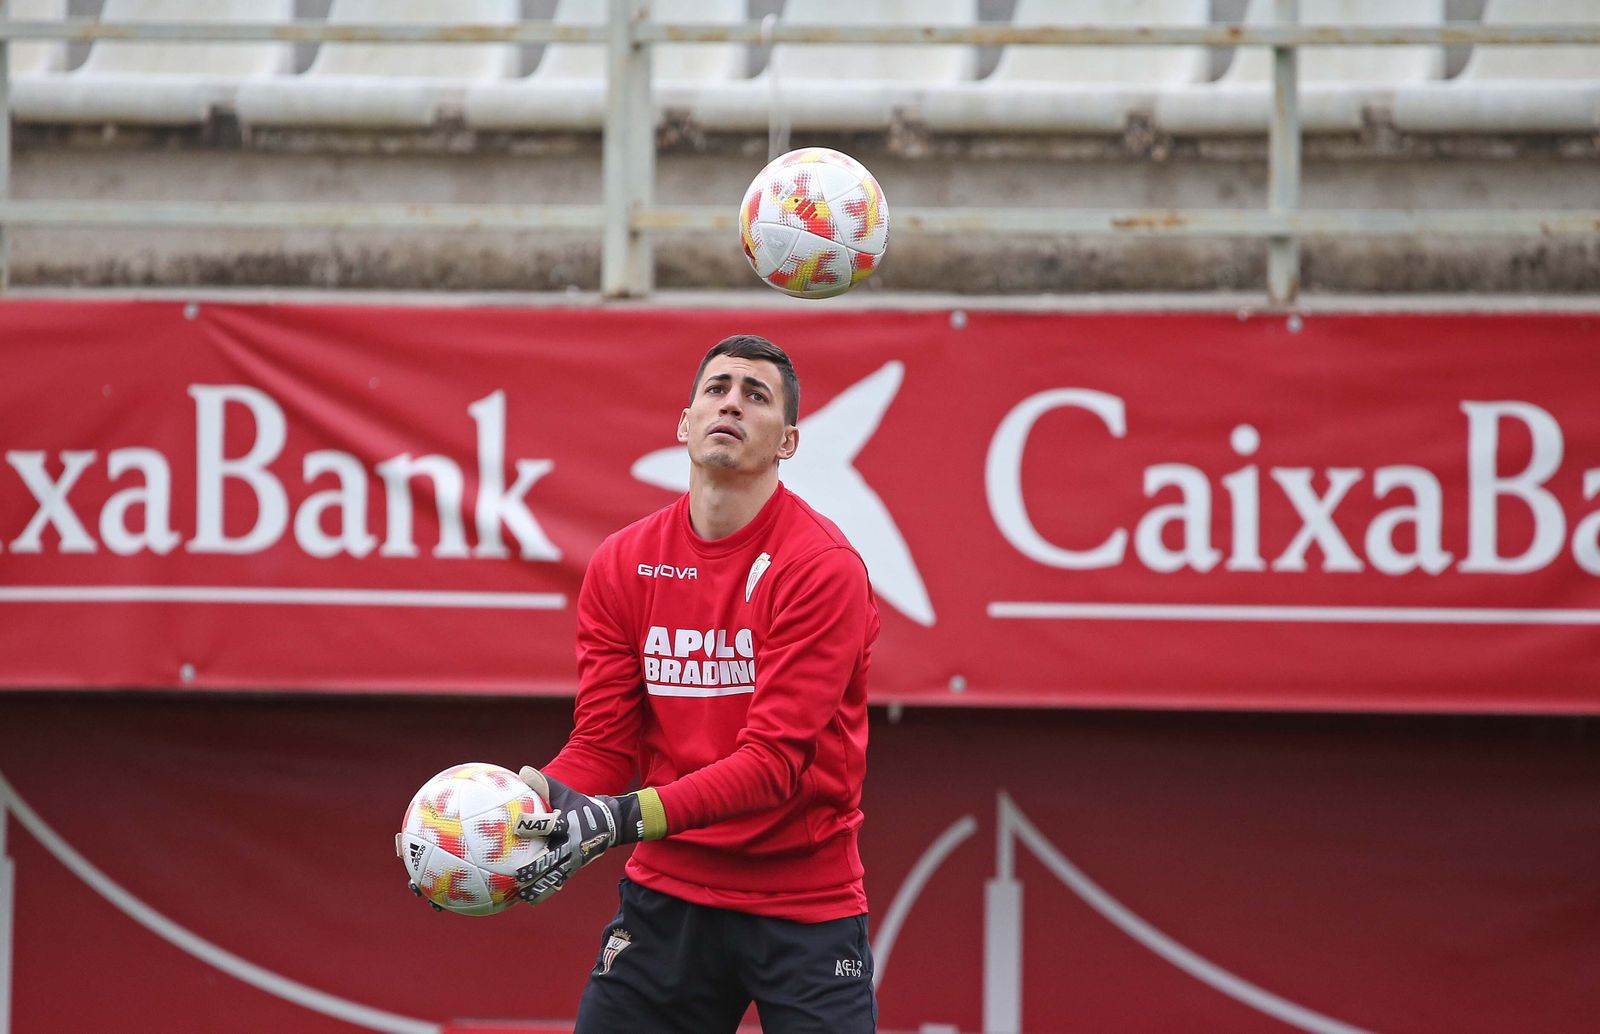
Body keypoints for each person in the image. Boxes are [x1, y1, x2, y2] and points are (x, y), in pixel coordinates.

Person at [518, 334, 880, 1033]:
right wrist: (531, 807)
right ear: (685, 424)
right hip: (667, 901)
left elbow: (771, 767)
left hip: (806, 908)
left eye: (756, 395)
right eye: (717, 389)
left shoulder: (822, 567)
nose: (732, 404)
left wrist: (615, 819)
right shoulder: (622, 562)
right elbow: (602, 745)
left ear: (789, 442)